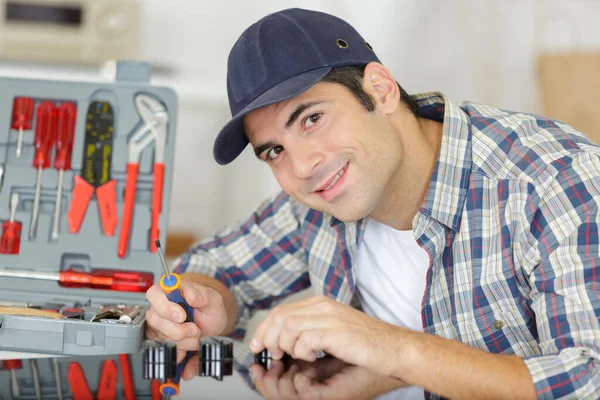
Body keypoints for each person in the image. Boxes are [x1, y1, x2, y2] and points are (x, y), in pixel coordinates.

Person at [145, 7, 600, 400]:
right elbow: (217, 269)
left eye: (312, 119)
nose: (302, 166)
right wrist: (203, 303)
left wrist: (390, 349)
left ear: (380, 90)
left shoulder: (552, 180)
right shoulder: (318, 201)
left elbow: (589, 379)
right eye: (274, 151)